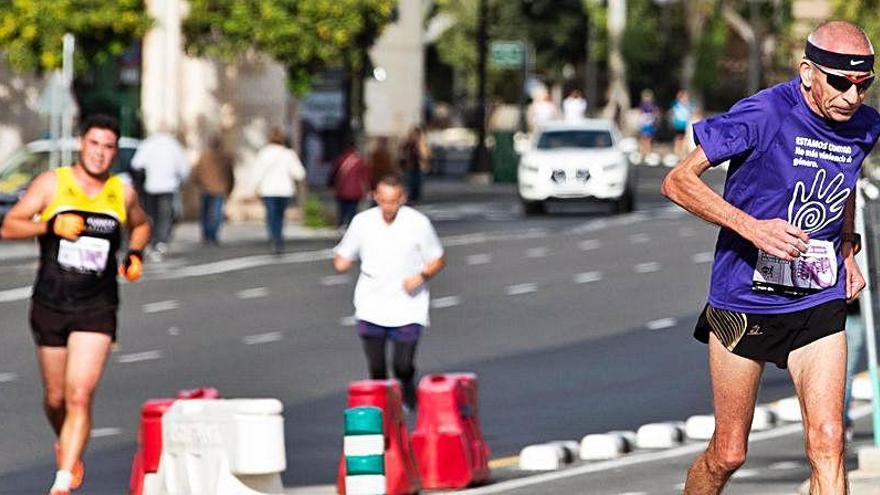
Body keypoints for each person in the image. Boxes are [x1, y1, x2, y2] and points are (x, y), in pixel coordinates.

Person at [661, 21, 879, 494]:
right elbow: (677, 181)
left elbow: (842, 185)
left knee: (827, 442)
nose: (852, 97)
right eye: (840, 82)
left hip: (816, 299)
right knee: (729, 452)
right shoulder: (763, 114)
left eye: (864, 85)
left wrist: (847, 248)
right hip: (745, 302)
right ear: (807, 72)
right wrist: (752, 228)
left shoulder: (864, 127)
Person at [0, 114, 151, 495]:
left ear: (115, 152)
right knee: (55, 399)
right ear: (82, 144)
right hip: (51, 303)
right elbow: (9, 225)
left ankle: (63, 480)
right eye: (94, 144)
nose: (100, 154)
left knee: (79, 394)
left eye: (108, 147)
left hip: (97, 306)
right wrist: (50, 225)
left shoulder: (122, 192)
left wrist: (134, 254)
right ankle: (65, 442)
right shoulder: (54, 183)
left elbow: (142, 225)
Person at [332, 174, 445, 410]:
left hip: (408, 305)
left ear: (402, 198)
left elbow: (437, 259)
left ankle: (408, 392)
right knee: (377, 368)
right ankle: (383, 411)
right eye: (383, 200)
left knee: (402, 364)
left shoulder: (417, 223)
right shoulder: (363, 222)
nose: (388, 206)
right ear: (375, 197)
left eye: (393, 201)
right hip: (371, 304)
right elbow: (344, 254)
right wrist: (341, 262)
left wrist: (421, 276)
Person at [130, 128, 189, 259]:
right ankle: (160, 242)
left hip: (150, 186)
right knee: (165, 216)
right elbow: (183, 167)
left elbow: (136, 164)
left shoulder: (148, 144)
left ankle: (150, 241)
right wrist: (181, 181)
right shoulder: (173, 145)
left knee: (151, 215)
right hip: (168, 187)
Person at [252, 127, 306, 253]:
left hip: (268, 189)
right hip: (284, 190)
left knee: (271, 215)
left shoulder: (263, 153)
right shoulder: (288, 154)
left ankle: (273, 237)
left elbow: (257, 173)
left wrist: (255, 187)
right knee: (280, 216)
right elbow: (300, 173)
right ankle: (278, 238)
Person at [191, 135, 235, 245]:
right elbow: (230, 175)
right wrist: (229, 189)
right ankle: (213, 236)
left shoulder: (204, 157)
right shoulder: (225, 157)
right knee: (216, 214)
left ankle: (206, 235)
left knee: (205, 213)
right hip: (219, 190)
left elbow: (196, 172)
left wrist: (198, 183)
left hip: (205, 189)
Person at [329, 137, 370, 227]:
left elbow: (333, 174)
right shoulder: (360, 160)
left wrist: (331, 186)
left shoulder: (341, 159)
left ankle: (341, 224)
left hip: (342, 189)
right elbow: (365, 176)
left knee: (342, 209)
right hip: (356, 190)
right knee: (353, 209)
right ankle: (351, 225)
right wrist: (367, 189)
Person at [399, 127, 431, 203]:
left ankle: (416, 198)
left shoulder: (422, 143)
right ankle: (411, 198)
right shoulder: (407, 143)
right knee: (411, 183)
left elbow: (427, 155)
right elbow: (402, 153)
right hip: (410, 167)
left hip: (419, 167)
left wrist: (426, 163)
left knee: (418, 183)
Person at [670, 89, 695, 158]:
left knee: (685, 139)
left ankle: (683, 153)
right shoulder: (676, 104)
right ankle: (677, 153)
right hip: (678, 124)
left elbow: (692, 112)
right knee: (678, 138)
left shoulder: (689, 105)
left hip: (686, 124)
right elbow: (673, 113)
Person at [638, 89, 659, 155]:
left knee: (648, 138)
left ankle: (647, 151)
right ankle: (643, 151)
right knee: (644, 137)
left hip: (649, 123)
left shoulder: (652, 105)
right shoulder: (643, 105)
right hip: (645, 123)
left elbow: (655, 113)